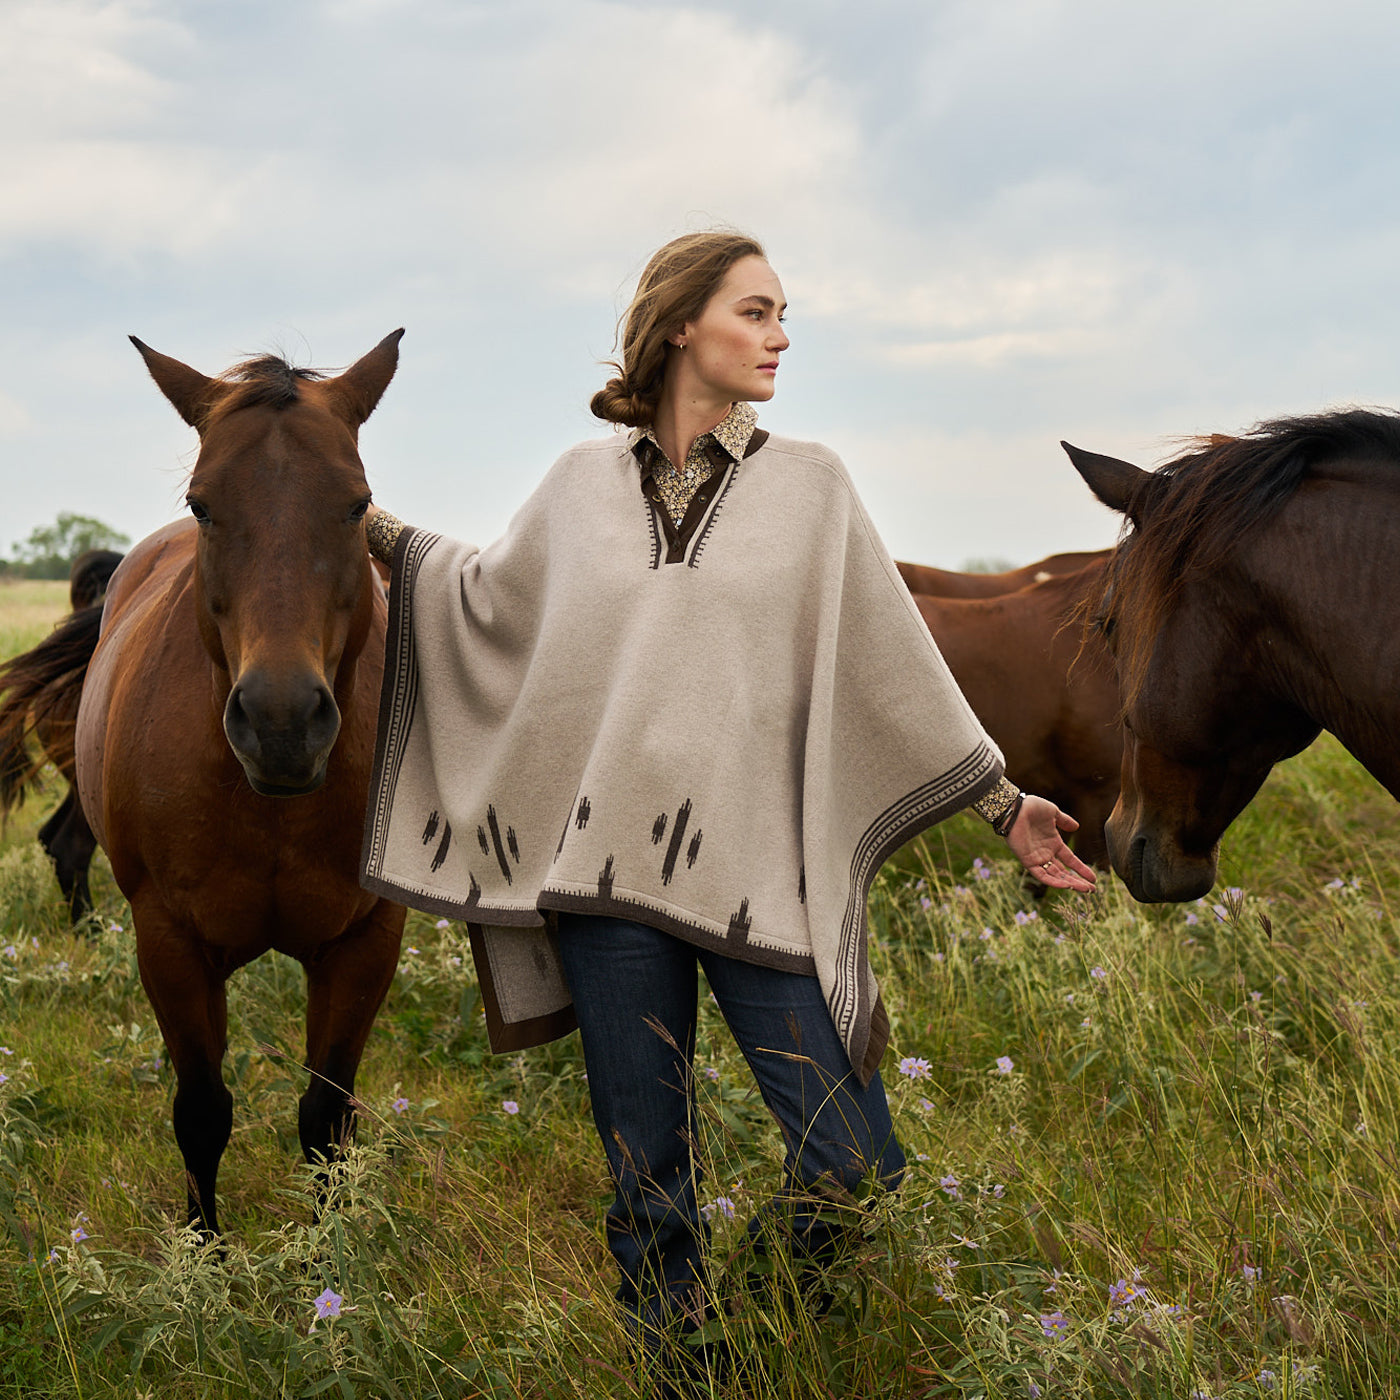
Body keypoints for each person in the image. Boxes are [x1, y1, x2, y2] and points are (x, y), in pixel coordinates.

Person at [359, 230, 1096, 1393]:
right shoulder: (573, 486)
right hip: (604, 883)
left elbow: (889, 662)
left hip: (760, 874)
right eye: (755, 312)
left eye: (780, 314)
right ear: (677, 327)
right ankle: (677, 1367)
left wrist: (1002, 804)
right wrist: (362, 518)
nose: (779, 336)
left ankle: (748, 1322)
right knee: (645, 1172)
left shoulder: (811, 487)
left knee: (854, 1162)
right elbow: (483, 602)